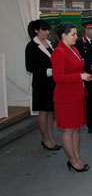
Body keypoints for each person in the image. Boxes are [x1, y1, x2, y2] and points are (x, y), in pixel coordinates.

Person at [51, 23, 92, 172]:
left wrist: (84, 75)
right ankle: (72, 160)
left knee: (76, 129)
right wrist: (80, 76)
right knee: (68, 130)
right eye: (73, 34)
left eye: (76, 34)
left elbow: (77, 68)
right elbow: (58, 77)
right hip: (66, 97)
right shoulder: (59, 52)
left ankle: (77, 158)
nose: (76, 37)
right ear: (64, 35)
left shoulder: (73, 49)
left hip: (77, 93)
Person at [25, 19, 60, 151]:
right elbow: (30, 67)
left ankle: (51, 138)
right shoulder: (31, 46)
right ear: (36, 30)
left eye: (47, 29)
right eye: (44, 29)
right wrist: (50, 71)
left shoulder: (50, 44)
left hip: (52, 83)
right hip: (41, 83)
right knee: (43, 112)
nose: (47, 32)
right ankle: (45, 139)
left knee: (50, 112)